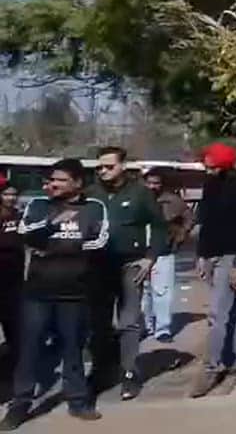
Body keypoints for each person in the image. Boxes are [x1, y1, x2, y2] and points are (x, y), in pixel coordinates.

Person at [1, 159, 109, 429]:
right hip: (38, 292)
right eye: (51, 180)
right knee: (29, 349)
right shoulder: (38, 205)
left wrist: (52, 248)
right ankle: (20, 405)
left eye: (60, 179)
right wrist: (53, 224)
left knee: (73, 348)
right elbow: (27, 235)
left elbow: (99, 241)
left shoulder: (94, 207)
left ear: (77, 182)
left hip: (76, 291)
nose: (53, 184)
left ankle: (78, 401)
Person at [85, 146, 169, 401]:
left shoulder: (140, 193)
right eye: (99, 167)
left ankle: (129, 373)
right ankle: (101, 369)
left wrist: (150, 258)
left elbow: (158, 226)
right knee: (98, 321)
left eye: (109, 166)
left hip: (131, 264)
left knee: (129, 321)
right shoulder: (91, 193)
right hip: (98, 265)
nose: (103, 171)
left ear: (122, 166)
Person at [189, 143, 236, 398]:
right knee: (232, 310)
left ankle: (212, 367)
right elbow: (206, 223)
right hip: (213, 254)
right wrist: (201, 256)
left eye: (212, 166)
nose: (208, 171)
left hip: (233, 256)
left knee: (217, 314)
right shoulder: (210, 185)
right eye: (206, 166)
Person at [141, 168, 193, 343]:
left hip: (164, 252)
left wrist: (181, 235)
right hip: (138, 253)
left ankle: (162, 329)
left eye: (156, 183)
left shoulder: (173, 201)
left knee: (163, 292)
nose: (152, 186)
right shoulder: (136, 199)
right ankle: (144, 326)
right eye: (149, 182)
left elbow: (189, 218)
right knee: (142, 292)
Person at [0, 180, 23, 381]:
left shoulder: (19, 216)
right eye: (6, 194)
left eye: (14, 194)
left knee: (15, 326)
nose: (11, 198)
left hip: (14, 281)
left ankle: (15, 368)